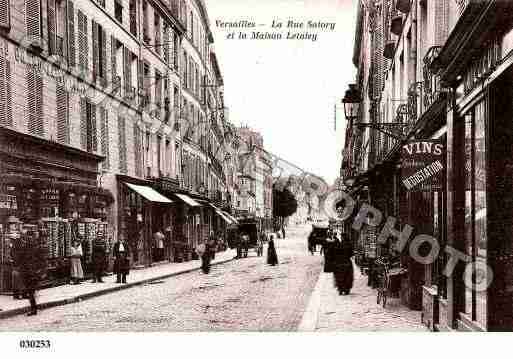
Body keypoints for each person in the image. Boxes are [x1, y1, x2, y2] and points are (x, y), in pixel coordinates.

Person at [18, 225, 47, 316]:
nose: (29, 239)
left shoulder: (34, 248)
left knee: (30, 291)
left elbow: (42, 261)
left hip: (32, 273)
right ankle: (33, 308)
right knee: (30, 291)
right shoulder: (29, 247)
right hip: (28, 272)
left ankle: (33, 309)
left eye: (29, 237)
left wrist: (41, 271)